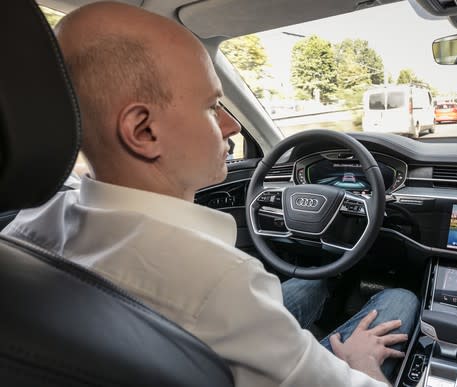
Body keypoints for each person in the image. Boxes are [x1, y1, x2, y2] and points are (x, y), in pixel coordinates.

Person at [2, 2, 418, 386]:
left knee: (311, 287)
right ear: (144, 132)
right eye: (212, 106)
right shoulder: (223, 286)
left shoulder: (30, 223)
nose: (232, 126)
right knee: (399, 299)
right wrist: (360, 365)